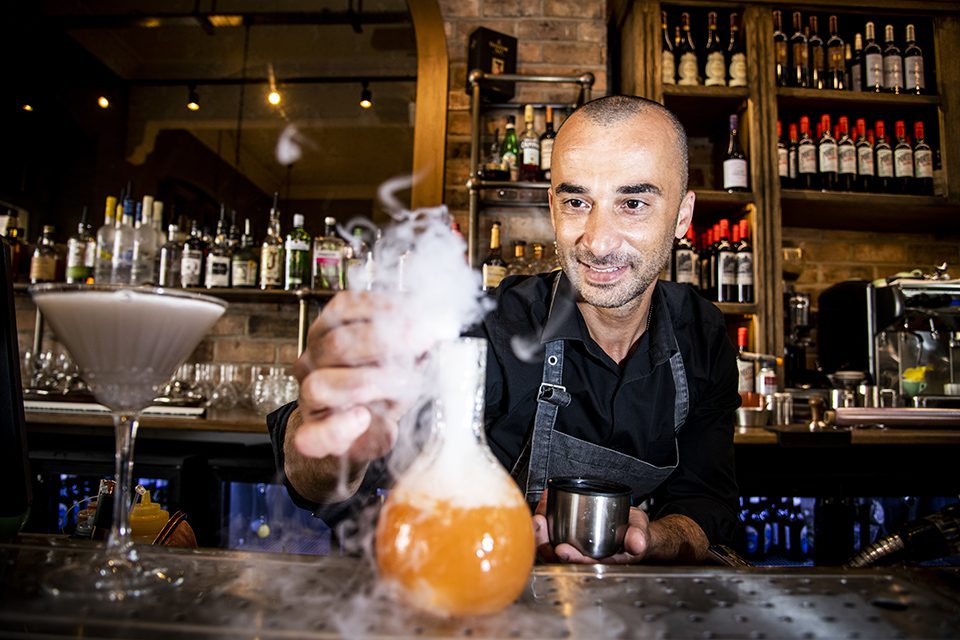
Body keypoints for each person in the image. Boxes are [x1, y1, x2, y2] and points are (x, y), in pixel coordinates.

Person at [268, 95, 741, 564]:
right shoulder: (493, 328)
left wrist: (653, 538)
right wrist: (328, 432)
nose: (598, 241)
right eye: (577, 201)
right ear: (553, 210)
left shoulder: (701, 334)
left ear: (682, 216)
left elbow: (707, 501)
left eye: (633, 203)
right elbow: (320, 482)